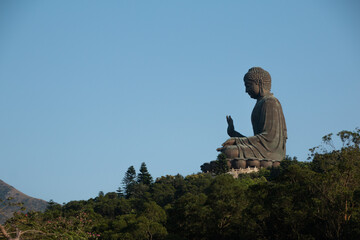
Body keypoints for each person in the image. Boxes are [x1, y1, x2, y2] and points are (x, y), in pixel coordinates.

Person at [217, 67, 287, 166]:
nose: (246, 90)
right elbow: (258, 140)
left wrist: (237, 141)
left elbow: (269, 138)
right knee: (228, 151)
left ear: (259, 83)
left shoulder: (270, 102)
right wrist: (233, 133)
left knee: (229, 152)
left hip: (270, 153)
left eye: (248, 86)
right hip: (260, 149)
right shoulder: (261, 103)